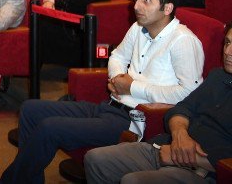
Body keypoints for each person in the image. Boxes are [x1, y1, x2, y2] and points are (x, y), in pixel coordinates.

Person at [0, 0, 205, 184]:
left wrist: (132, 86)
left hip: (134, 121)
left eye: (146, 1)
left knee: (49, 128)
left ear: (167, 7)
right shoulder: (138, 28)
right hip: (110, 106)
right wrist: (116, 78)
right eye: (136, 0)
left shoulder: (183, 41)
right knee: (30, 109)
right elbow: (117, 56)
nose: (137, 6)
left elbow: (189, 94)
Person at [83, 23, 232, 184]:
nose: (227, 52)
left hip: (205, 170)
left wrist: (186, 157)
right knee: (95, 159)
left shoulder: (183, 39)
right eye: (228, 43)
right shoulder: (218, 76)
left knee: (133, 181)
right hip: (168, 145)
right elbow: (182, 109)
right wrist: (180, 135)